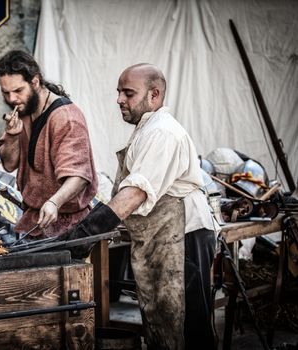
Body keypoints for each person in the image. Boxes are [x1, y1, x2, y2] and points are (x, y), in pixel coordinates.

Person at [61, 63, 217, 349]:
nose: (119, 99)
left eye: (128, 93)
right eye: (119, 92)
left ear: (154, 95)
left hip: (184, 236)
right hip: (163, 237)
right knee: (161, 316)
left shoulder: (163, 133)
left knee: (186, 323)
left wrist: (88, 230)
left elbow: (134, 193)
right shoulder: (148, 130)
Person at [0, 50, 98, 238]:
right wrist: (12, 136)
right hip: (34, 222)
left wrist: (54, 203)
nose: (12, 99)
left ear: (35, 81)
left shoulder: (66, 118)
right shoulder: (24, 111)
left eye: (18, 91)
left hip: (67, 227)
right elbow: (9, 164)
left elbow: (79, 176)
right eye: (5, 93)